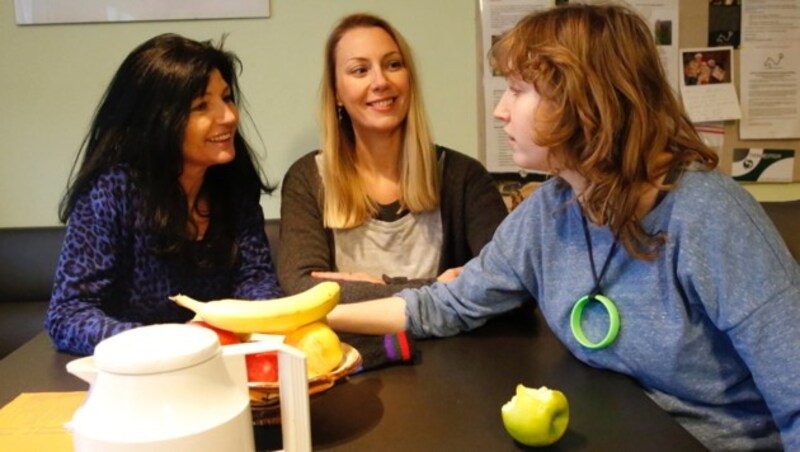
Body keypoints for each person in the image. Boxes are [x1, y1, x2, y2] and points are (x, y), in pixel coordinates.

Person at [327, 4, 800, 450]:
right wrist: (316, 319)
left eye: (517, 89)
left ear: (584, 99)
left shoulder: (710, 215)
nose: (501, 111)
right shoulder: (547, 213)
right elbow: (449, 303)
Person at [46, 34, 283, 356]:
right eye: (202, 106)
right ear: (156, 120)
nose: (228, 116)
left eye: (226, 98)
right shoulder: (111, 191)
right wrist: (167, 343)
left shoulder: (231, 183)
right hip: (134, 379)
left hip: (221, 363)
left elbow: (256, 279)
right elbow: (68, 315)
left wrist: (262, 323)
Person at [277, 13, 507, 304]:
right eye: (360, 70)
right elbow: (301, 288)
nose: (381, 81)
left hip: (449, 348)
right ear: (337, 93)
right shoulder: (307, 178)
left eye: (393, 65)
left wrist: (378, 286)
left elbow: (508, 282)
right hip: (347, 348)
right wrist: (436, 285)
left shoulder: (464, 177)